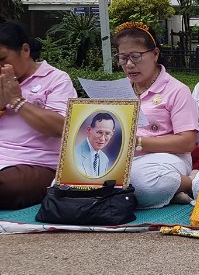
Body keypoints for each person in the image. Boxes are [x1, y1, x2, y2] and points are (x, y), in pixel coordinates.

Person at [113, 22, 199, 208]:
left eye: (136, 57)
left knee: (140, 183)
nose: (129, 64)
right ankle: (172, 191)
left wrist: (137, 142)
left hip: (167, 157)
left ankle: (192, 181)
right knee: (66, 182)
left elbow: (187, 142)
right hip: (123, 158)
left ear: (155, 54)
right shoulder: (118, 89)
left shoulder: (177, 90)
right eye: (122, 58)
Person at [0, 22, 78, 209]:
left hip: (36, 163)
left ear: (25, 50)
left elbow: (61, 127)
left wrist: (18, 102)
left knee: (8, 186)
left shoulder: (56, 79)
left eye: (2, 58)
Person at [75, 113, 116, 178]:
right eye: (99, 132)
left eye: (107, 133)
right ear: (89, 130)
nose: (102, 139)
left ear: (112, 134)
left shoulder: (104, 159)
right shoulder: (73, 155)